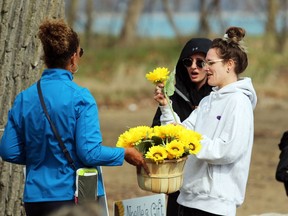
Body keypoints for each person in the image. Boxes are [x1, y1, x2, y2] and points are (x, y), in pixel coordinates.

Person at [0, 18, 149, 216]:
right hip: (72, 198)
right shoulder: (81, 97)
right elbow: (89, 153)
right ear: (73, 58)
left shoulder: (23, 98)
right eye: (80, 53)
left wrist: (42, 158)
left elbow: (8, 150)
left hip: (35, 199)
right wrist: (125, 154)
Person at [154, 26, 257, 216]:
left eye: (209, 62)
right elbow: (179, 134)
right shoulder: (208, 101)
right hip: (187, 199)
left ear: (229, 64)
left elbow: (227, 151)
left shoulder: (238, 101)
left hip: (215, 205)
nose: (205, 68)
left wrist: (191, 140)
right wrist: (166, 107)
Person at [151, 38, 212, 216]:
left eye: (200, 62)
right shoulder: (173, 96)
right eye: (188, 61)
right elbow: (157, 132)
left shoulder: (217, 98)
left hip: (207, 183)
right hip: (177, 179)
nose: (194, 67)